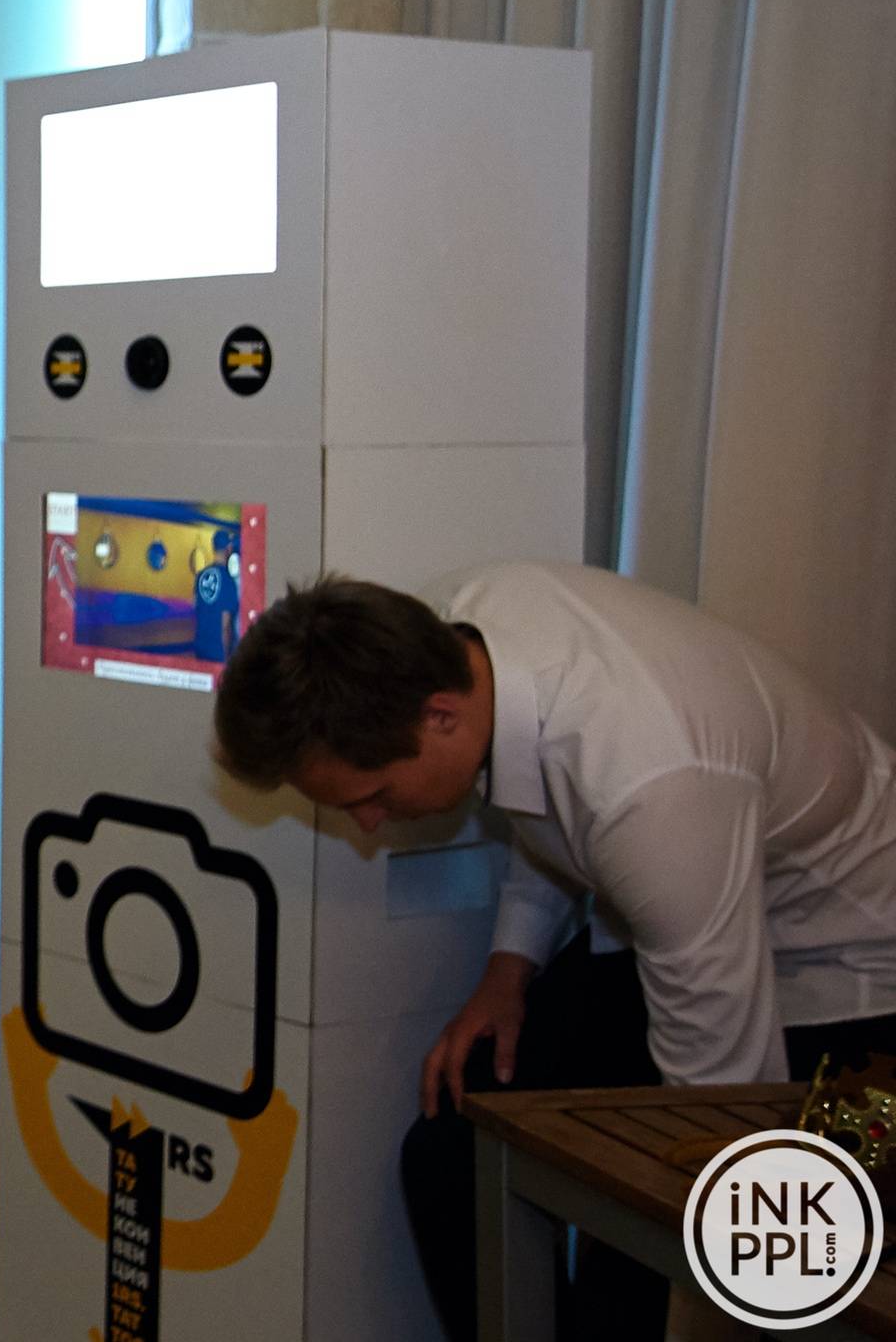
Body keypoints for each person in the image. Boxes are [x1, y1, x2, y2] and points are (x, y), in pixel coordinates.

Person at [212, 563, 896, 1342]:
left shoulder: (651, 787)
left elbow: (725, 1107)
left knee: (645, 1247)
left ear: (440, 716)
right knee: (453, 1156)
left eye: (373, 795)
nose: (369, 824)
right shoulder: (465, 632)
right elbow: (552, 795)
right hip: (678, 919)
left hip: (847, 961)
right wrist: (509, 970)